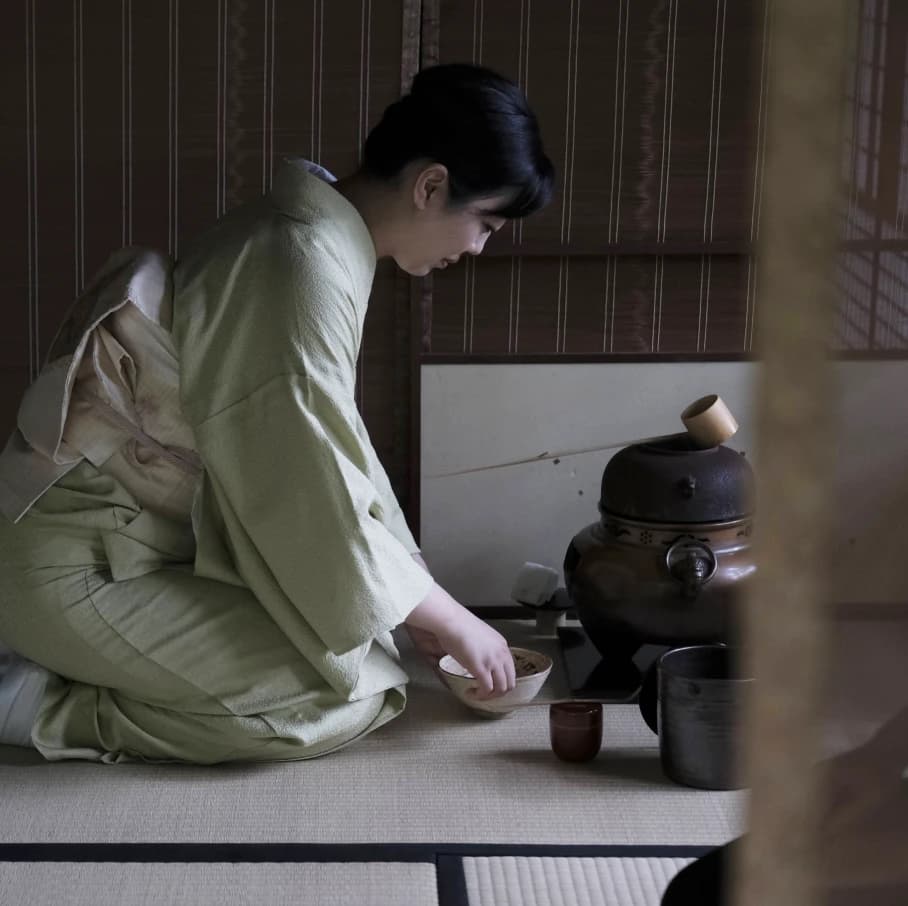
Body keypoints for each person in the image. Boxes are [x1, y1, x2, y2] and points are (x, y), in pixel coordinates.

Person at [0, 64, 554, 763]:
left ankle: (76, 666)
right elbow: (300, 476)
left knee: (363, 643)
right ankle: (38, 703)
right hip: (80, 567)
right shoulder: (301, 261)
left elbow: (331, 447)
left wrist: (419, 595)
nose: (475, 248)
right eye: (485, 223)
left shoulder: (306, 236)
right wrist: (442, 611)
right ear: (431, 185)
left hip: (135, 549)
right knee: (337, 694)